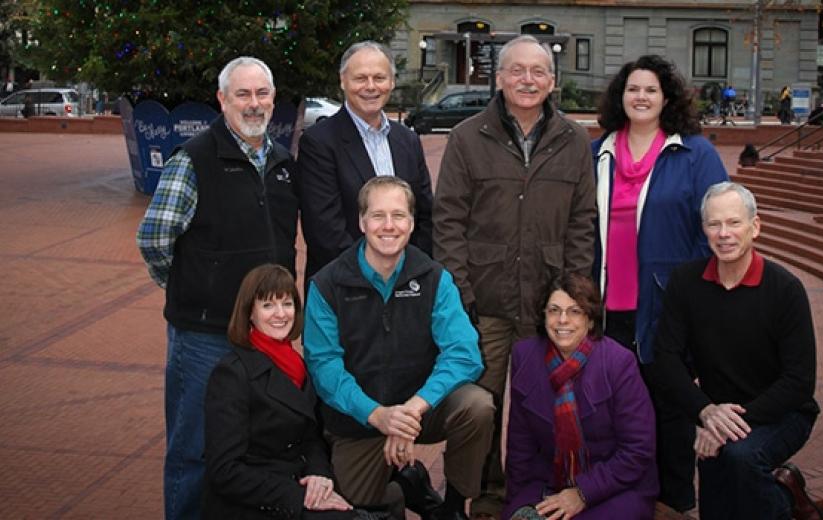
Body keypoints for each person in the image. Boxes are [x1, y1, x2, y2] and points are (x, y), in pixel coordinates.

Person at [434, 34, 597, 519]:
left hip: (549, 303)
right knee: (482, 406)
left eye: (538, 72)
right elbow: (448, 222)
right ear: (499, 78)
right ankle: (483, 496)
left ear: (552, 81)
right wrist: (460, 295)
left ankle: (534, 492)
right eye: (517, 71)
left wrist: (571, 299)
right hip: (484, 303)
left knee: (541, 406)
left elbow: (582, 223)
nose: (527, 80)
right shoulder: (467, 137)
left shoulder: (574, 140)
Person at [136, 56, 298, 520]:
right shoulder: (194, 159)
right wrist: (191, 284)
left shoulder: (284, 164)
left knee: (253, 442)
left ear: (273, 100)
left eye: (262, 94)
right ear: (222, 100)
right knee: (195, 448)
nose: (254, 104)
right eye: (242, 94)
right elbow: (154, 238)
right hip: (204, 336)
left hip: (265, 336)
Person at [305, 176, 494, 520]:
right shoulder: (327, 285)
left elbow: (465, 354)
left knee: (476, 405)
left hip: (420, 409)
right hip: (359, 418)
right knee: (353, 505)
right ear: (361, 222)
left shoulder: (435, 277)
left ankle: (452, 507)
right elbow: (324, 369)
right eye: (378, 216)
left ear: (411, 223)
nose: (388, 226)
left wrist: (410, 412)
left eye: (398, 215)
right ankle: (403, 488)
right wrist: (378, 415)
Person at [592, 54, 728, 513]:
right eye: (633, 89)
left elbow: (716, 227)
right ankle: (623, 502)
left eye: (651, 89)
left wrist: (695, 296)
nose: (642, 97)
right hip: (610, 310)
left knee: (669, 413)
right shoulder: (599, 152)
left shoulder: (694, 153)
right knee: (616, 414)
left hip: (667, 308)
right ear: (620, 96)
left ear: (666, 97)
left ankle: (673, 504)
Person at [651, 182, 823, 520]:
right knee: (717, 506)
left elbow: (799, 381)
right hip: (716, 412)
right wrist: (704, 412)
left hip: (783, 412)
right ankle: (783, 488)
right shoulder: (686, 283)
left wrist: (726, 424)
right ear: (704, 229)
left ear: (754, 227)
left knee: (741, 457)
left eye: (734, 222)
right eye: (714, 224)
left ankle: (787, 510)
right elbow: (666, 359)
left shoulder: (785, 289)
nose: (724, 233)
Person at [204, 264, 356, 519]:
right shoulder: (231, 374)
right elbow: (225, 470)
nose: (280, 314)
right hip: (254, 502)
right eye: (267, 305)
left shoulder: (297, 365)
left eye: (287, 304)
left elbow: (311, 436)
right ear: (249, 313)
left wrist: (319, 474)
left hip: (295, 484)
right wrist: (300, 498)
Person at [504, 273, 659, 520]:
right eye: (554, 310)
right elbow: (520, 444)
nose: (562, 320)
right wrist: (515, 503)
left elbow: (638, 450)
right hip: (547, 481)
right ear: (543, 316)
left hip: (616, 487)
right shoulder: (525, 356)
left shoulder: (619, 362)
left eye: (575, 311)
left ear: (590, 320)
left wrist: (583, 493)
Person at [297, 40, 434, 281]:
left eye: (379, 78)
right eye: (360, 78)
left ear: (391, 82)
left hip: (407, 286)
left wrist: (409, 273)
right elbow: (325, 231)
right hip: (343, 289)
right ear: (343, 81)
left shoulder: (408, 140)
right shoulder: (318, 142)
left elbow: (424, 215)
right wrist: (377, 277)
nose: (370, 87)